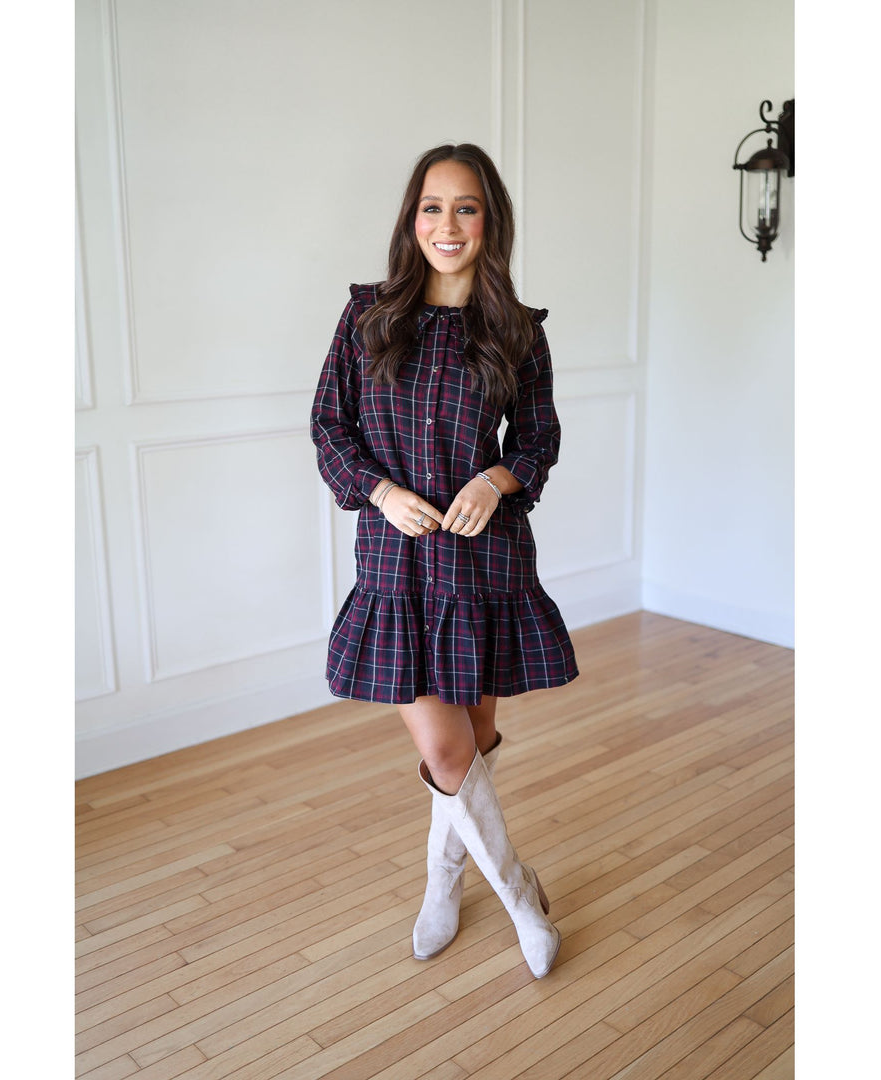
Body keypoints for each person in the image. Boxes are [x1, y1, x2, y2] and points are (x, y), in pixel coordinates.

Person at [310, 144, 578, 979]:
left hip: (485, 565)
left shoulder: (516, 329)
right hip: (397, 567)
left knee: (478, 742)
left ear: (488, 220)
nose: (447, 224)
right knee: (451, 753)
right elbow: (329, 428)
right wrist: (379, 493)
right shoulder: (367, 318)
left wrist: (499, 480)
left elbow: (539, 440)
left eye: (466, 208)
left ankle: (439, 888)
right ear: (410, 217)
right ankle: (521, 902)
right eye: (432, 206)